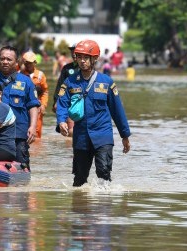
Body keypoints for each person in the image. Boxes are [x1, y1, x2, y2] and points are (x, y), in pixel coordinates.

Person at [56, 39, 131, 187]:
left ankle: (103, 207)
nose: (82, 61)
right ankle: (80, 207)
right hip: (81, 137)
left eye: (86, 58)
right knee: (79, 179)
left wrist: (125, 136)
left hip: (103, 135)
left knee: (103, 173)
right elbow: (62, 104)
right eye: (79, 57)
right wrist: (61, 121)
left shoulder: (106, 82)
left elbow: (118, 111)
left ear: (94, 59)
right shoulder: (70, 82)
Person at [0, 46, 40, 170]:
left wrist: (33, 126)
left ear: (16, 62)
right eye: (2, 58)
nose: (5, 61)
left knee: (23, 169)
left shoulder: (26, 82)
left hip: (19, 134)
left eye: (9, 59)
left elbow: (33, 106)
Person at [20, 51, 49, 138]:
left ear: (35, 63)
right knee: (22, 131)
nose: (28, 65)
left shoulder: (40, 75)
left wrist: (43, 105)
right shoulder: (19, 74)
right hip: (23, 107)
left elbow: (45, 91)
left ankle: (36, 151)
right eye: (26, 62)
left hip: (37, 107)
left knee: (36, 133)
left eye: (30, 63)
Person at [52, 43, 79, 136]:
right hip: (68, 100)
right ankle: (68, 148)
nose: (74, 53)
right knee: (70, 130)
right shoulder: (67, 68)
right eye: (72, 51)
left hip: (82, 101)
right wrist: (56, 101)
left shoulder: (87, 68)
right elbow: (60, 85)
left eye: (76, 51)